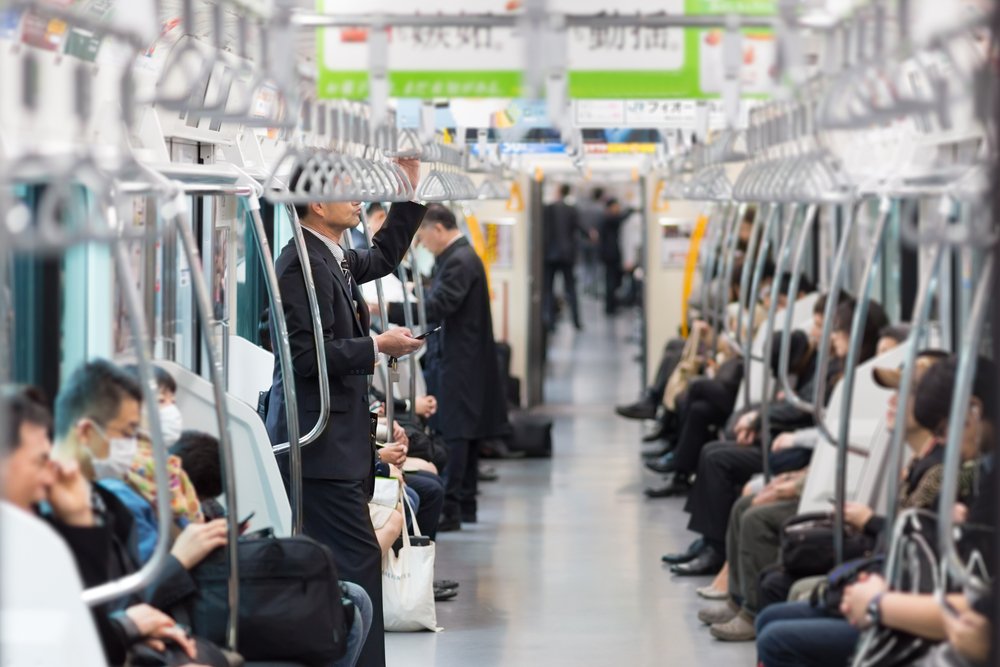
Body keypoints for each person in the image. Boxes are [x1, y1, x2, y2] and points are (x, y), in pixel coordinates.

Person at [265, 159, 426, 667]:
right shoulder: (301, 266)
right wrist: (375, 345)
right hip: (318, 446)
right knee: (357, 560)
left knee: (343, 564)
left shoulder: (330, 256)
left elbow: (380, 257)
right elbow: (304, 358)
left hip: (341, 444)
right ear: (316, 203)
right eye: (348, 191)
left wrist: (408, 191)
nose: (359, 198)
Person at [390, 204, 509, 531]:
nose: (423, 244)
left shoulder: (459, 260)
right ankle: (464, 503)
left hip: (460, 360)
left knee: (456, 432)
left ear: (438, 229)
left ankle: (452, 509)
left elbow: (440, 305)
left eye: (424, 235)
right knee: (465, 432)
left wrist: (386, 307)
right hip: (463, 357)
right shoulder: (460, 257)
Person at [542, 184, 592, 331]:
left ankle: (549, 321)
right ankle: (576, 321)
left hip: (549, 255)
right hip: (567, 254)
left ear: (557, 191)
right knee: (571, 288)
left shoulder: (548, 208)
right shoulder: (571, 209)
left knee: (548, 289)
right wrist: (590, 234)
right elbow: (581, 227)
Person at [598, 198, 634, 315]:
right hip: (610, 255)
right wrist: (631, 210)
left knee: (613, 281)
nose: (618, 209)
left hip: (610, 254)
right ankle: (610, 307)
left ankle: (612, 305)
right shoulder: (608, 218)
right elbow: (621, 218)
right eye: (616, 206)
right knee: (611, 282)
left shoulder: (607, 218)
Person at [576, 187, 605, 296]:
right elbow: (602, 226)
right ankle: (594, 288)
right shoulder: (600, 209)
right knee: (595, 265)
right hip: (596, 241)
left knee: (585, 264)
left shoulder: (583, 208)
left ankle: (585, 286)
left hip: (583, 240)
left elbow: (579, 224)